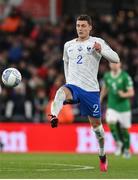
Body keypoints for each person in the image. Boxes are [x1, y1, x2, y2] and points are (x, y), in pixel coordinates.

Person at [49, 14, 120, 172]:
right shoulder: (68, 45)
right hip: (73, 87)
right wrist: (69, 82)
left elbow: (115, 59)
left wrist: (101, 51)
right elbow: (66, 63)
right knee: (60, 91)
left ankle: (102, 155)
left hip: (90, 91)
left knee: (98, 130)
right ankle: (54, 115)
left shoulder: (97, 42)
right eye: (78, 26)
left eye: (83, 26)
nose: (80, 28)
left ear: (90, 27)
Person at [100, 62, 134, 158]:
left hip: (124, 108)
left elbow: (131, 92)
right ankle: (118, 142)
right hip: (112, 106)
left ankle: (127, 149)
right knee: (110, 121)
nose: (114, 65)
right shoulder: (107, 76)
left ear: (120, 64)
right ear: (110, 65)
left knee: (125, 130)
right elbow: (105, 88)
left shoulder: (125, 76)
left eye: (116, 63)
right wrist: (101, 97)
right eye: (112, 63)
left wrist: (123, 94)